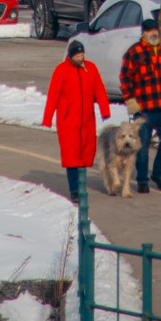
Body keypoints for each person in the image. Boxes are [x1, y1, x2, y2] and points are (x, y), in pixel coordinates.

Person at [42, 37, 110, 201]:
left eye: (82, 55)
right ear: (71, 56)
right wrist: (47, 118)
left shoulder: (91, 68)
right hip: (68, 122)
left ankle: (81, 187)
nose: (81, 58)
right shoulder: (61, 70)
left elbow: (99, 89)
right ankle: (75, 191)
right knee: (72, 157)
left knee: (85, 155)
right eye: (78, 56)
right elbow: (53, 95)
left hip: (87, 119)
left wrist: (104, 109)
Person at [119, 19, 161, 194]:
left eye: (156, 30)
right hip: (144, 109)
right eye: (150, 31)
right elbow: (125, 79)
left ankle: (158, 174)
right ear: (143, 33)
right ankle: (141, 179)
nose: (154, 33)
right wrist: (130, 100)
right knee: (142, 146)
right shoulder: (133, 52)